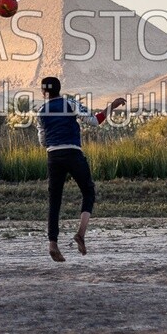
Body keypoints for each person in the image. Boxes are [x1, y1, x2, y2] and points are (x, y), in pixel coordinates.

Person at [35, 76, 126, 262]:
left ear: (44, 92)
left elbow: (42, 141)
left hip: (53, 156)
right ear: (59, 89)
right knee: (88, 191)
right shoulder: (70, 103)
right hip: (73, 153)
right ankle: (81, 234)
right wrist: (112, 106)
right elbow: (94, 120)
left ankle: (53, 244)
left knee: (54, 201)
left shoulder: (41, 111)